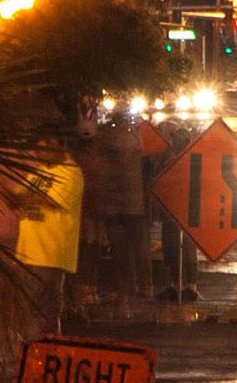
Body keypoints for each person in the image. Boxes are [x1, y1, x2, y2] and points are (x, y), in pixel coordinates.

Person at [14, 135, 87, 334]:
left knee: (43, 308)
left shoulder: (70, 173)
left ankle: (44, 348)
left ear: (55, 143)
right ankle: (35, 347)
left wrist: (23, 198)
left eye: (41, 149)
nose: (37, 155)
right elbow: (18, 197)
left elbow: (49, 200)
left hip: (50, 253)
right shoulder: (38, 171)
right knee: (33, 306)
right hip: (28, 251)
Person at [90, 117, 153, 299]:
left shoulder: (109, 152)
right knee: (133, 250)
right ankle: (137, 286)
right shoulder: (135, 151)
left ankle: (130, 287)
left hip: (123, 208)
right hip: (129, 208)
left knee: (125, 251)